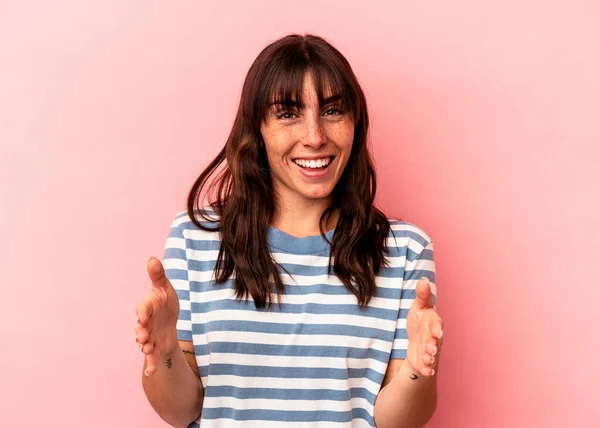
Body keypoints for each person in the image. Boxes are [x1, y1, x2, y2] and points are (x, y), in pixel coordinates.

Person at [135, 33, 444, 428]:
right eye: (288, 114)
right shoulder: (194, 239)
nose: (315, 137)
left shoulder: (404, 251)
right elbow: (181, 411)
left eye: (333, 111)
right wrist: (164, 353)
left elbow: (396, 422)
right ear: (257, 129)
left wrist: (419, 368)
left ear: (355, 123)